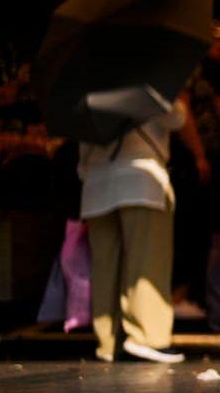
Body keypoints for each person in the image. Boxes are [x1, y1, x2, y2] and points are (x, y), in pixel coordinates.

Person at [79, 96, 201, 364]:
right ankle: (147, 337)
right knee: (147, 261)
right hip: (140, 179)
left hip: (96, 185)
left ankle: (109, 341)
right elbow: (177, 118)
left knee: (105, 266)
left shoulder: (88, 92)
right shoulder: (147, 89)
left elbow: (82, 151)